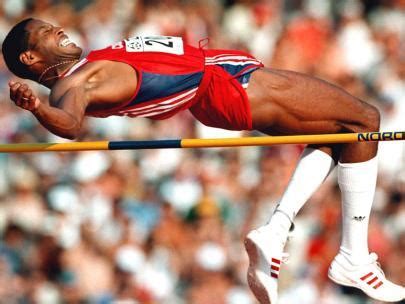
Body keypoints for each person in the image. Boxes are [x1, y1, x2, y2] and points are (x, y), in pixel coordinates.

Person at [2, 18, 404, 304]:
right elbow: (70, 124)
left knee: (342, 135)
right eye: (43, 34)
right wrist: (37, 107)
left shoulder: (87, 67)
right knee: (364, 118)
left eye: (51, 25)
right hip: (223, 87)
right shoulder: (73, 84)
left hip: (220, 78)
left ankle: (282, 232)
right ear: (31, 58)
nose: (57, 30)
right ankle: (347, 255)